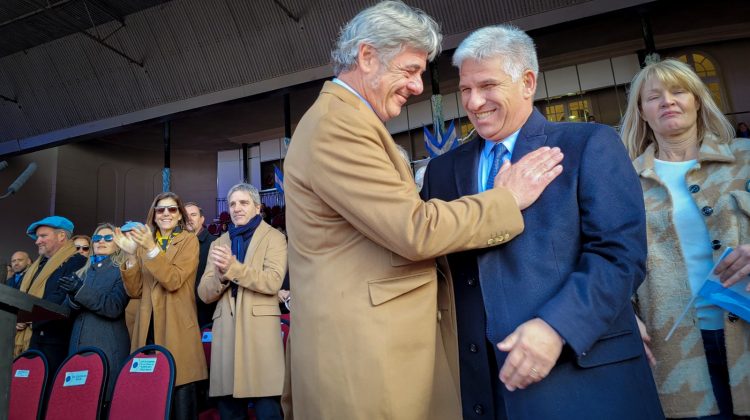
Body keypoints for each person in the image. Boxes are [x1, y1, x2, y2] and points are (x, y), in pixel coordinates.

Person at [283, 2, 563, 418]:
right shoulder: (337, 126)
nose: (418, 86)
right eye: (410, 69)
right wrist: (506, 199)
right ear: (366, 56)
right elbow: (414, 230)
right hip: (365, 360)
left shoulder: (347, 119)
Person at [421, 25, 663, 419]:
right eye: (465, 89)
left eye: (487, 85)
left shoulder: (589, 145)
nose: (473, 101)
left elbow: (620, 255)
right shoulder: (442, 171)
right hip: (483, 388)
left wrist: (559, 327)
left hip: (579, 381)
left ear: (527, 82)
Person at [620, 58, 750, 419]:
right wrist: (623, 317)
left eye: (679, 91)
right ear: (642, 112)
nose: (668, 101)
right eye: (654, 97)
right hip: (675, 353)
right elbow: (611, 260)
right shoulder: (623, 182)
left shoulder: (745, 158)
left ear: (697, 100)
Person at [198, 183, 287, 420]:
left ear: (257, 208)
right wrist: (221, 275)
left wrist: (233, 268)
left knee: (267, 408)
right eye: (233, 204)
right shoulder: (219, 243)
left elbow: (273, 281)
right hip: (226, 330)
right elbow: (204, 293)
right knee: (229, 409)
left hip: (259, 331)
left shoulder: (275, 237)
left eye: (244, 203)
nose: (237, 208)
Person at [116, 192, 208, 420]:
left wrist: (150, 249)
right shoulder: (143, 244)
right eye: (160, 209)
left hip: (177, 328)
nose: (166, 213)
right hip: (147, 328)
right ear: (154, 215)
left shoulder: (189, 240)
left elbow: (174, 280)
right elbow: (135, 291)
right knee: (148, 400)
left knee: (180, 400)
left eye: (172, 209)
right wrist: (129, 256)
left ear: (179, 216)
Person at [61, 223, 130, 403]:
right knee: (77, 403)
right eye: (97, 238)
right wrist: (73, 296)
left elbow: (113, 307)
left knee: (101, 402)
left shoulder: (123, 270)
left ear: (118, 243)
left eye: (108, 238)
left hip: (106, 347)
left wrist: (80, 290)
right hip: (77, 347)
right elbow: (66, 311)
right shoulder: (82, 272)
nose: (101, 241)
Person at [16, 216, 87, 377]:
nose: (37, 241)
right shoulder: (38, 265)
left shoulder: (76, 262)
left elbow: (60, 299)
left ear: (61, 235)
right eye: (37, 237)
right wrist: (17, 317)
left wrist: (27, 316)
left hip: (54, 344)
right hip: (32, 338)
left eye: (43, 236)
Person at [185, 202, 218, 328]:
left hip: (205, 313)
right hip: (181, 310)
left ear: (202, 219)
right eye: (185, 215)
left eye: (193, 215)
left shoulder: (214, 243)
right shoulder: (175, 245)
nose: (189, 218)